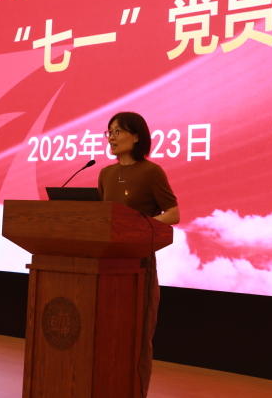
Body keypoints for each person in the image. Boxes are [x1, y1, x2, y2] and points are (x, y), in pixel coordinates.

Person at [97, 112, 179, 397]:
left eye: (118, 131)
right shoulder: (105, 174)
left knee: (136, 337)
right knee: (106, 334)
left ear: (136, 136)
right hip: (107, 265)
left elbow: (173, 213)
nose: (111, 137)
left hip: (139, 264)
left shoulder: (151, 172)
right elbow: (103, 219)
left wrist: (138, 227)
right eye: (109, 131)